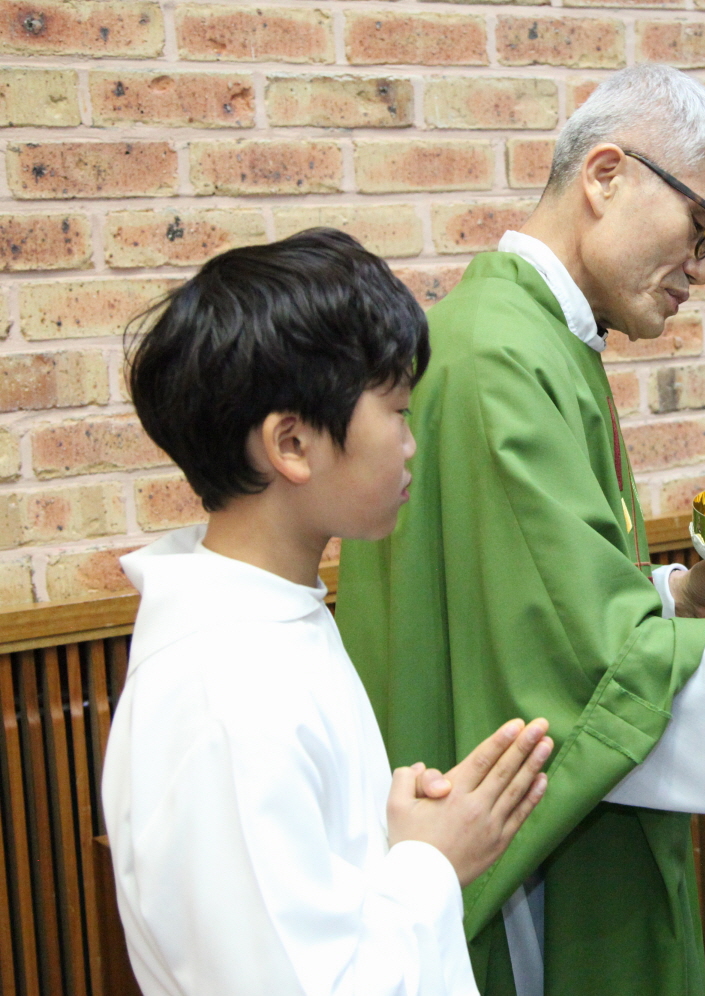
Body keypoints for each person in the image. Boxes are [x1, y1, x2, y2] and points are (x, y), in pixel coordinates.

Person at [335, 64, 705, 996]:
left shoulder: (533, 334)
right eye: (703, 227)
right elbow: (581, 661)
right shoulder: (501, 356)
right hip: (518, 863)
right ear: (607, 174)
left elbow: (530, 602)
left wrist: (677, 594)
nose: (703, 269)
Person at [101, 229, 554, 996]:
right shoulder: (227, 696)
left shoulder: (275, 621)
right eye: (398, 411)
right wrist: (430, 861)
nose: (410, 445)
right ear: (293, 443)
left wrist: (393, 840)